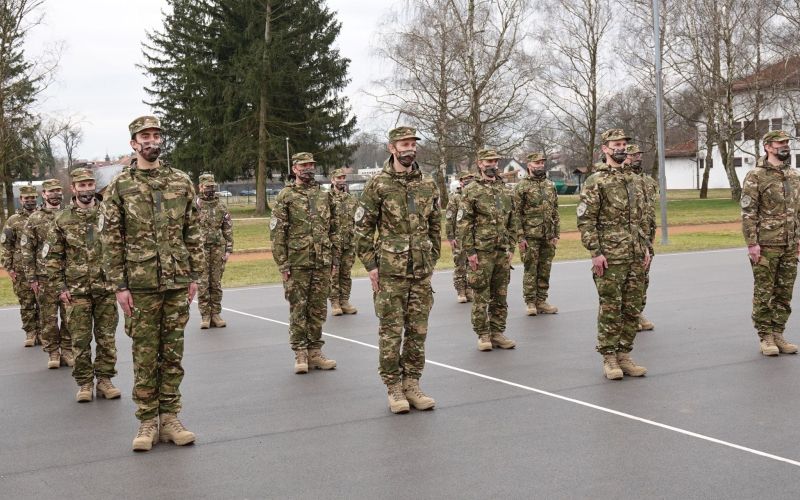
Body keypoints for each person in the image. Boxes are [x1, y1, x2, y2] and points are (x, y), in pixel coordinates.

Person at [101, 115, 204, 451]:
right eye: (145, 136)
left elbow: (194, 231)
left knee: (172, 354)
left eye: (156, 135)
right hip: (140, 285)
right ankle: (147, 420)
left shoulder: (180, 181)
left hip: (177, 281)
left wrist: (193, 276)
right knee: (145, 355)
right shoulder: (120, 187)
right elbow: (111, 240)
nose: (152, 140)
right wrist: (120, 285)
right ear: (134, 143)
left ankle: (171, 418)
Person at [354, 126, 440, 414]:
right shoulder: (377, 184)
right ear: (392, 148)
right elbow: (362, 228)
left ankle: (412, 384)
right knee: (391, 332)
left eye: (413, 144)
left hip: (421, 272)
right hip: (390, 273)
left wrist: (432, 256)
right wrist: (371, 266)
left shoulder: (427, 183)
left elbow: (436, 225)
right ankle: (393, 387)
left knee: (418, 331)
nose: (409, 148)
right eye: (404, 144)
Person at [577, 129, 650, 380]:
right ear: (605, 149)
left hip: (634, 253)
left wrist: (645, 248)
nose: (621, 148)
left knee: (632, 307)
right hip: (610, 254)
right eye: (616, 144)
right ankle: (609, 358)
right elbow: (586, 220)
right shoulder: (595, 181)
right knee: (611, 307)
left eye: (624, 144)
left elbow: (641, 218)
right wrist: (595, 252)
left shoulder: (635, 180)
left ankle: (624, 355)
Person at [46, 167, 120, 402]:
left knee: (106, 338)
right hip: (76, 292)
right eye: (82, 185)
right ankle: (85, 383)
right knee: (79, 339)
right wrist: (60, 288)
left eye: (90, 184)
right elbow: (53, 258)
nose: (87, 189)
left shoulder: (109, 215)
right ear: (73, 188)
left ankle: (105, 380)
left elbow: (121, 247)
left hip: (106, 288)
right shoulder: (62, 219)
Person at [271, 152, 339, 373]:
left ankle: (315, 352)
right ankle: (300, 353)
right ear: (295, 169)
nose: (309, 168)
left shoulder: (325, 195)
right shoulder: (286, 196)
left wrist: (334, 258)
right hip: (297, 262)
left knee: (318, 309)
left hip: (322, 262)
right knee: (299, 309)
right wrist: (283, 263)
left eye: (311, 165)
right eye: (304, 165)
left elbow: (334, 229)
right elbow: (277, 233)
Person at [741, 130, 800, 356]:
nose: (785, 146)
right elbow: (748, 212)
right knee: (764, 292)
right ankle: (765, 336)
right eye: (780, 143)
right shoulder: (756, 176)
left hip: (789, 244)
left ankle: (778, 333)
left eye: (786, 142)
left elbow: (798, 210)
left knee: (784, 292)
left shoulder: (793, 175)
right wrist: (752, 243)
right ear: (768, 146)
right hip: (766, 244)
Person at [458, 148, 517, 352]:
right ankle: (483, 334)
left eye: (495, 161)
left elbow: (512, 220)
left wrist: (512, 246)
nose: (493, 165)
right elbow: (464, 223)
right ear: (480, 163)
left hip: (502, 251)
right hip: (482, 252)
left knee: (500, 294)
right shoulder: (471, 190)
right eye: (489, 161)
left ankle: (497, 332)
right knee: (481, 294)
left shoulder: (505, 189)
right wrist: (470, 251)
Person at [22, 178, 72, 369]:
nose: (55, 194)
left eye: (58, 190)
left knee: (69, 316)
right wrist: (31, 277)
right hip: (44, 277)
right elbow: (27, 249)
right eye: (50, 191)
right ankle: (53, 352)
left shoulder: (69, 214)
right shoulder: (34, 218)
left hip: (68, 276)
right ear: (44, 194)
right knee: (48, 318)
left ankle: (67, 350)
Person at [514, 152, 560, 316]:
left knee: (545, 269)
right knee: (530, 269)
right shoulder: (522, 186)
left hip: (547, 235)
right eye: (537, 163)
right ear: (529, 165)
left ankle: (541, 300)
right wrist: (520, 237)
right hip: (530, 236)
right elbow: (516, 214)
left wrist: (556, 234)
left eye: (542, 163)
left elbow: (555, 211)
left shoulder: (550, 185)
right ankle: (530, 302)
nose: (540, 165)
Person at [2, 185, 41, 347]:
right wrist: (9, 268)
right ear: (21, 200)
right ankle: (31, 332)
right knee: (27, 303)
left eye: (33, 198)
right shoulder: (13, 220)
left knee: (43, 303)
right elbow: (6, 245)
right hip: (20, 269)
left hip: (41, 268)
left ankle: (43, 333)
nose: (30, 201)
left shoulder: (41, 217)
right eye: (27, 198)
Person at [623, 144, 657, 331]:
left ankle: (637, 312)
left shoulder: (648, 181)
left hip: (647, 235)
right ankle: (627, 316)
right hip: (629, 237)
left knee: (643, 276)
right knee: (629, 278)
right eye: (633, 154)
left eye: (639, 154)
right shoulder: (624, 179)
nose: (637, 157)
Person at [196, 173, 233, 329]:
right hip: (200, 250)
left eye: (212, 187)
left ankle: (216, 314)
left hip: (218, 249)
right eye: (207, 187)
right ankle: (205, 316)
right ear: (200, 187)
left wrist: (229, 249)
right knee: (203, 284)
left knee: (216, 283)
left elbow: (228, 228)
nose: (210, 190)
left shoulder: (221, 206)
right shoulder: (194, 206)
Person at [328, 168, 358, 316]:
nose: (341, 180)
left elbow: (357, 219)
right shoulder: (327, 198)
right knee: (334, 273)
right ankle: (335, 302)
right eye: (338, 177)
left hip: (349, 242)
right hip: (334, 243)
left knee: (346, 273)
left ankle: (345, 301)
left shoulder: (351, 199)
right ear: (332, 180)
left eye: (343, 177)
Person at [445, 171, 475, 303]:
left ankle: (469, 289)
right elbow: (449, 218)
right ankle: (461, 291)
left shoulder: (475, 195)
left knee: (472, 265)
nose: (468, 181)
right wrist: (451, 237)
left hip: (473, 236)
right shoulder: (456, 198)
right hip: (459, 237)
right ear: (461, 182)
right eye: (466, 179)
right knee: (460, 264)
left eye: (471, 179)